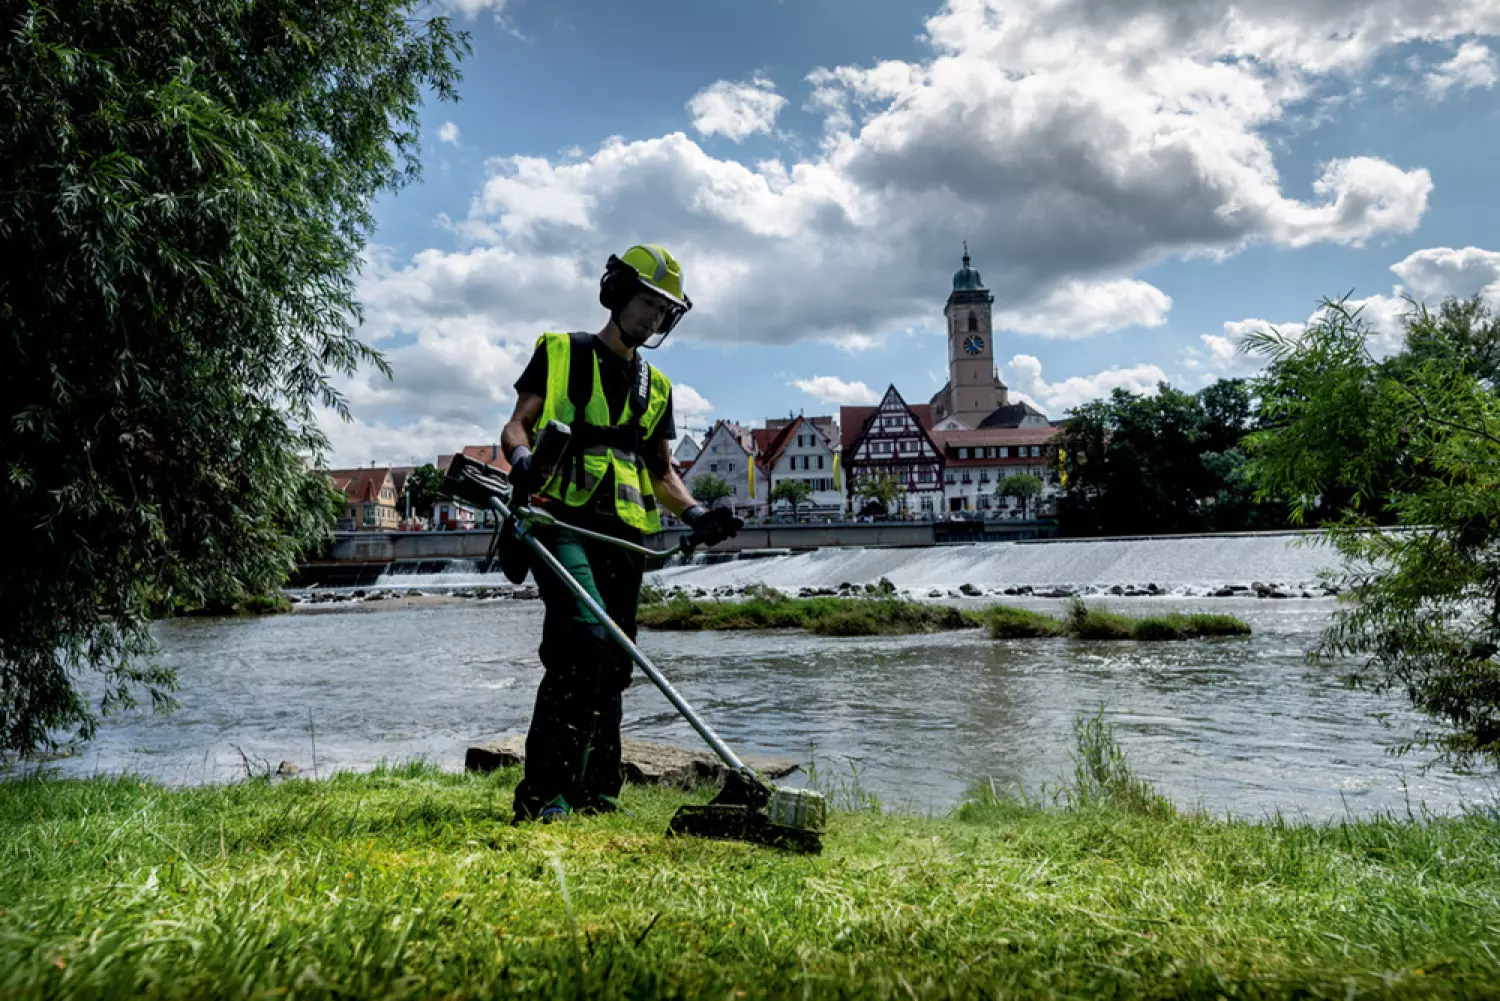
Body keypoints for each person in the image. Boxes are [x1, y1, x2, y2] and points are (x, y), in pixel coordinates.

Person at [500, 244, 742, 823]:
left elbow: (660, 471)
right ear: (616, 293)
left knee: (614, 659)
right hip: (558, 518)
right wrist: (523, 459)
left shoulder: (655, 386)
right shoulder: (562, 352)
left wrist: (694, 515)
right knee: (582, 642)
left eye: (665, 310)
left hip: (625, 533)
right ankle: (543, 796)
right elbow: (516, 425)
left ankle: (596, 793)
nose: (655, 318)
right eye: (648, 302)